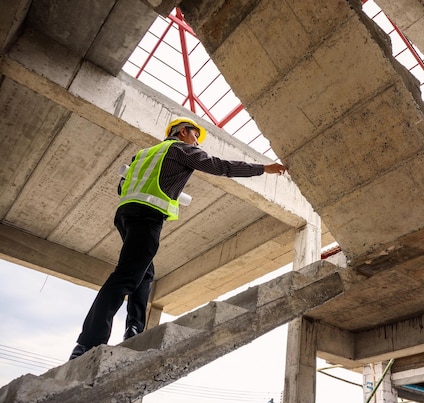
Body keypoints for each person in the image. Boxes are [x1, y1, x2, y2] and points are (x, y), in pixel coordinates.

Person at [70, 117, 286, 360]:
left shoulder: (143, 154)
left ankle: (134, 330)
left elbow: (122, 187)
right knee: (125, 276)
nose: (197, 142)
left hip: (125, 215)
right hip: (148, 216)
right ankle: (88, 342)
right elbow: (219, 166)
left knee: (145, 272)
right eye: (195, 136)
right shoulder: (181, 149)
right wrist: (263, 169)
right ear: (183, 132)